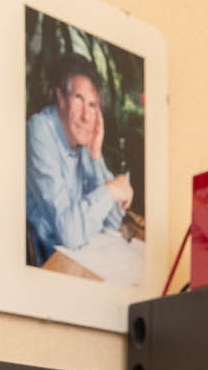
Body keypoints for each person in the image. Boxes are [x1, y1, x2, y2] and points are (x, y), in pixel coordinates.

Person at [24, 53, 132, 261]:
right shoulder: (40, 131)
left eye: (92, 105)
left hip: (82, 259)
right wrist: (111, 190)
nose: (86, 115)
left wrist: (95, 156)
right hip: (47, 265)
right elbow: (70, 234)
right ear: (61, 98)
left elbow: (112, 223)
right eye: (79, 99)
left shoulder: (83, 142)